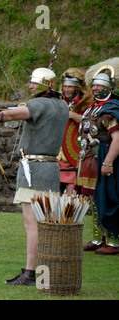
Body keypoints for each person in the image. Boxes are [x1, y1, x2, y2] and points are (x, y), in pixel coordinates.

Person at [0, 67, 68, 285]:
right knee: (47, 222)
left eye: (35, 83)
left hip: (33, 170)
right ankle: (48, 272)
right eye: (31, 82)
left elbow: (14, 114)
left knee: (31, 223)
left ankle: (30, 273)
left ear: (47, 84)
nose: (31, 86)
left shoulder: (37, 105)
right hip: (51, 169)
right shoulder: (62, 105)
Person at [83, 65, 119, 255]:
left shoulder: (111, 108)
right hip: (91, 158)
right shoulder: (92, 108)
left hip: (106, 159)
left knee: (110, 197)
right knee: (96, 199)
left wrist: (109, 162)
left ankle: (114, 241)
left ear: (110, 88)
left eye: (100, 86)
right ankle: (99, 238)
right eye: (94, 85)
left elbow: (117, 138)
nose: (95, 88)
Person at [58, 68, 93, 194]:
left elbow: (92, 124)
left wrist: (74, 115)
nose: (66, 90)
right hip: (57, 153)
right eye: (64, 86)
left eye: (70, 87)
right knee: (52, 193)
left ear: (78, 88)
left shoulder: (87, 104)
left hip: (75, 152)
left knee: (71, 192)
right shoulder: (58, 101)